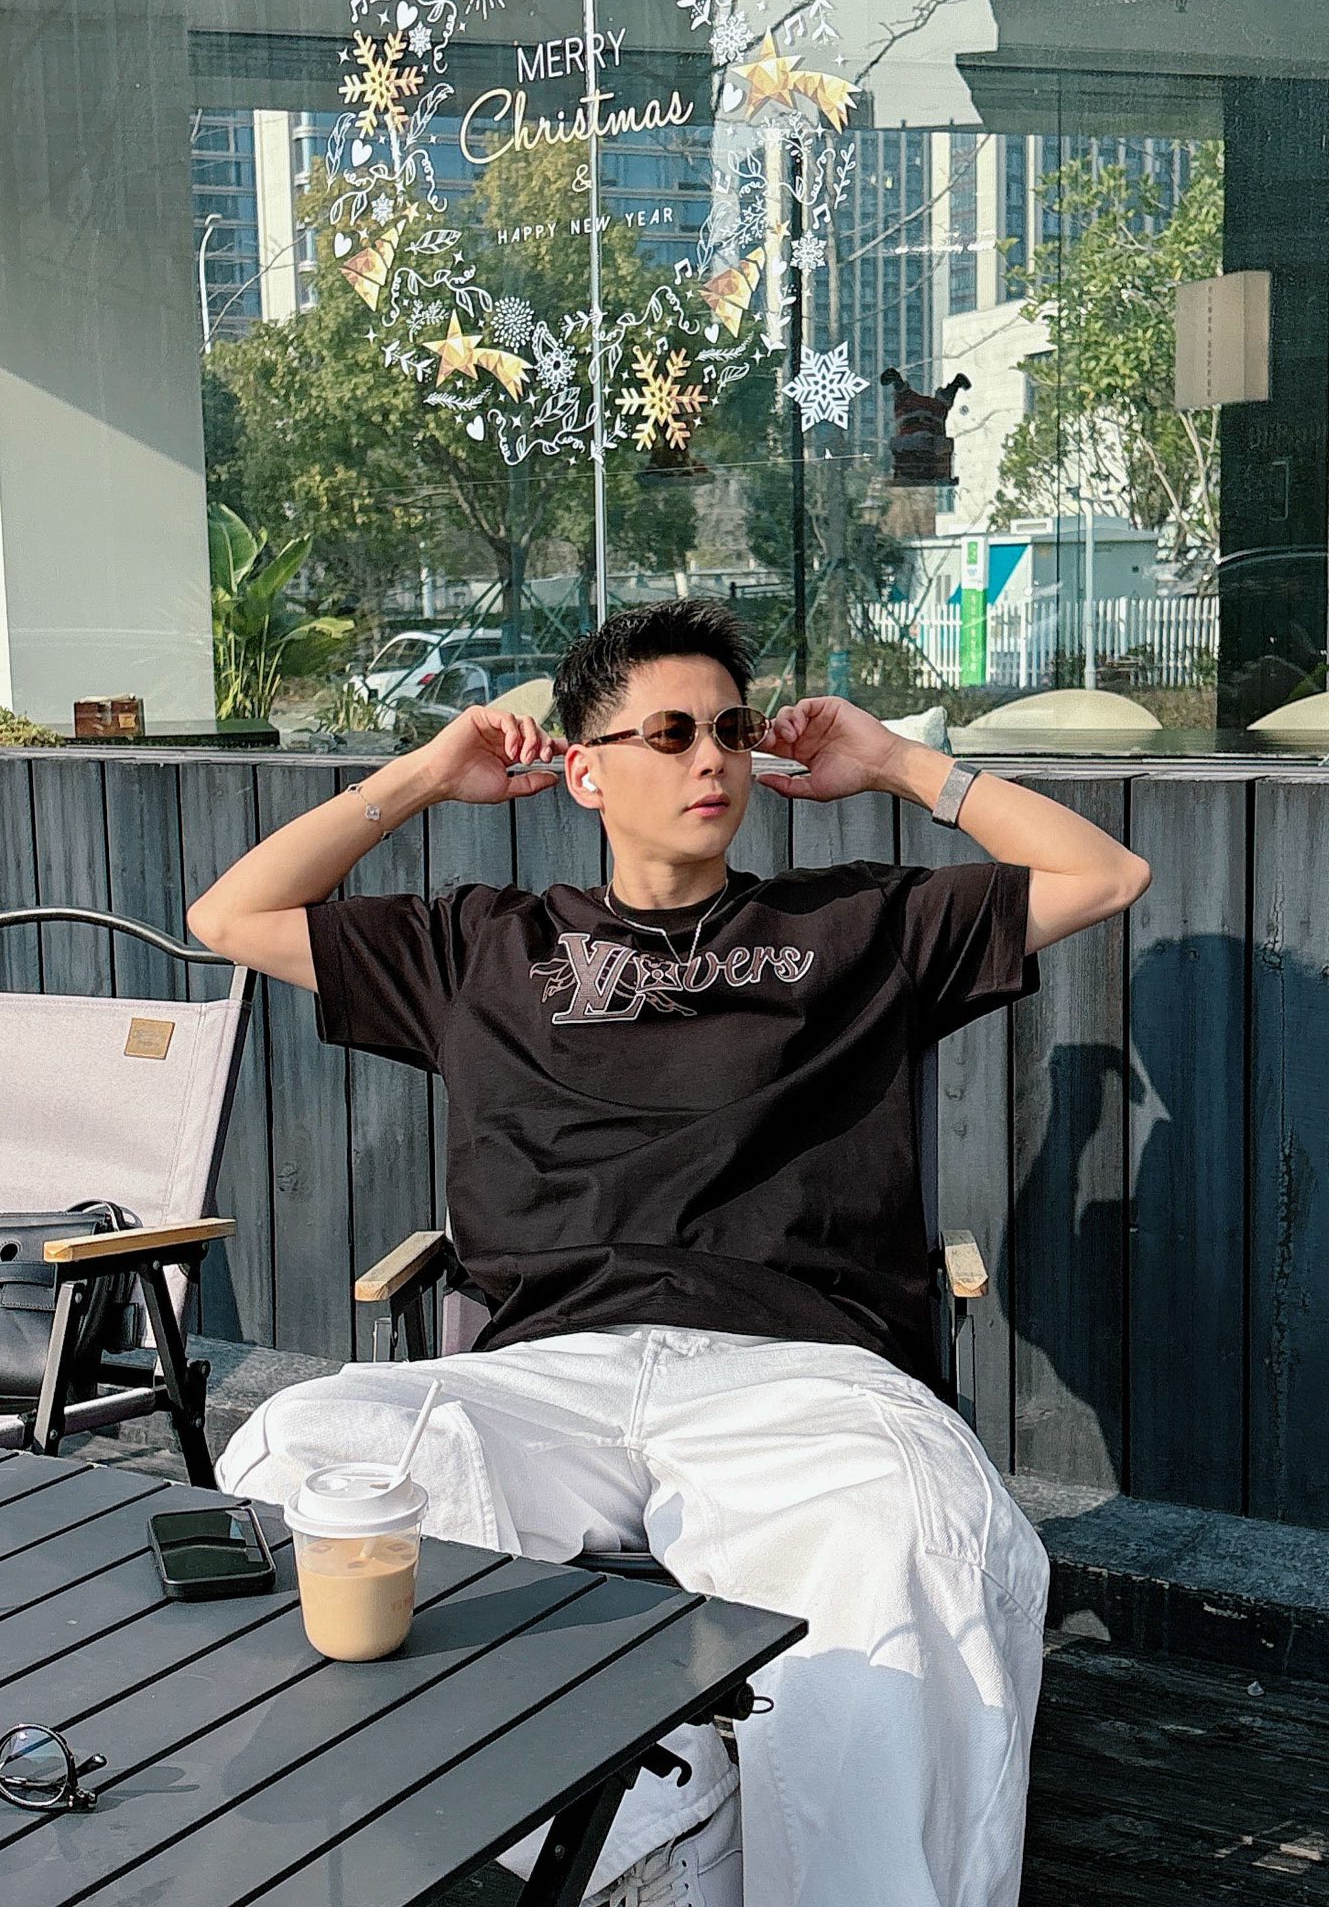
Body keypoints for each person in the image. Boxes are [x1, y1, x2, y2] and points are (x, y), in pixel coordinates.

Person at [187, 598, 1151, 1907]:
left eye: (732, 731)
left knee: (913, 1540)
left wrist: (899, 763)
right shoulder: (483, 945)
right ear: (584, 772)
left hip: (799, 1371)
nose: (714, 758)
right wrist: (420, 775)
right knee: (307, 1455)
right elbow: (231, 914)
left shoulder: (854, 926)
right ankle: (629, 1815)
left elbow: (1105, 877)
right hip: (547, 1376)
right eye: (672, 733)